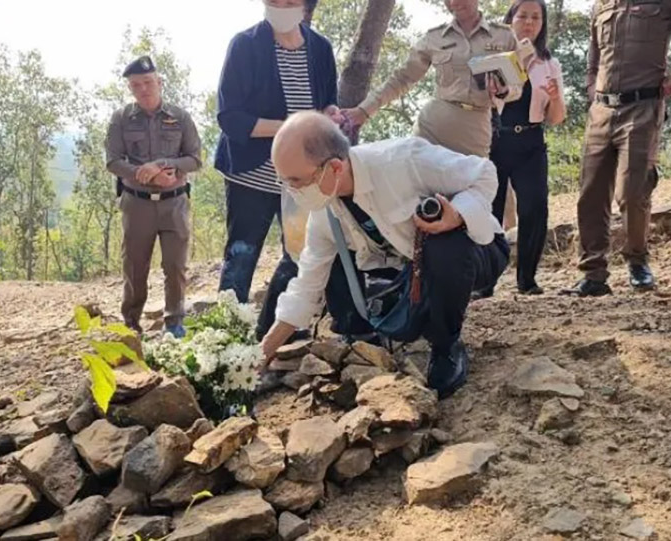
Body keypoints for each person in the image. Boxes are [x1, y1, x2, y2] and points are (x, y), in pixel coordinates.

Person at [260, 112, 509, 399]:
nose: (293, 191)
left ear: (334, 168)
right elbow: (307, 285)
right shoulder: (325, 211)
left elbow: (485, 173)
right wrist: (265, 350)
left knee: (443, 243)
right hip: (408, 269)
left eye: (297, 181)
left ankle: (446, 346)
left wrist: (458, 215)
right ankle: (362, 337)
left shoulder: (403, 160)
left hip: (477, 249)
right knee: (332, 255)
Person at [214, 0, 339, 341]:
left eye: (290, 1)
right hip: (251, 176)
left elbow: (329, 100)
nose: (281, 6)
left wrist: (329, 113)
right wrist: (290, 127)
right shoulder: (245, 45)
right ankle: (225, 340)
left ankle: (278, 333)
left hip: (303, 180)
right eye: (274, 1)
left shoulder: (320, 49)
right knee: (241, 256)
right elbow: (230, 118)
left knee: (299, 256)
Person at [563, 0, 671, 297]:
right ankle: (593, 274)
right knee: (591, 194)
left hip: (643, 107)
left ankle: (637, 262)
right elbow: (593, 58)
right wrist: (592, 90)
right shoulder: (600, 5)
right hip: (601, 111)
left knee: (632, 190)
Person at [341, 0, 520, 159]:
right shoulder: (434, 37)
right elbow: (403, 78)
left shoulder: (504, 36)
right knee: (419, 192)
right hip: (432, 129)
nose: (454, 2)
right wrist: (364, 111)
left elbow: (517, 86)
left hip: (475, 131)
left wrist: (504, 91)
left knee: (471, 190)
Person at [105, 56, 202, 338]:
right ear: (130, 89)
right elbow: (113, 162)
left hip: (174, 203)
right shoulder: (122, 119)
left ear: (159, 82)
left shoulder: (180, 118)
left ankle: (174, 323)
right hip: (137, 204)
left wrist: (161, 167)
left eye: (148, 82)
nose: (143, 89)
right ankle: (132, 322)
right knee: (135, 266)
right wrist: (143, 173)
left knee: (175, 266)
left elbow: (195, 159)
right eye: (136, 85)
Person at [486, 0, 566, 296]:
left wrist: (556, 98)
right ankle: (486, 280)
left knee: (534, 208)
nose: (529, 23)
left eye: (536, 17)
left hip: (530, 141)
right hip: (495, 140)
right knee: (489, 211)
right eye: (523, 16)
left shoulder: (549, 64)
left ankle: (527, 279)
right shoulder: (493, 59)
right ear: (511, 19)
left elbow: (556, 118)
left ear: (542, 23)